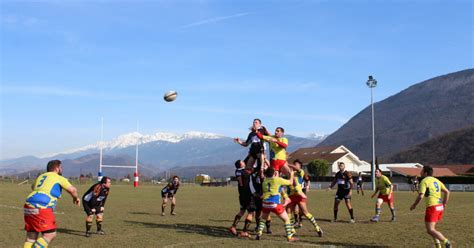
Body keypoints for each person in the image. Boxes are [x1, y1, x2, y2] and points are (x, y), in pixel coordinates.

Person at [23, 160, 80, 248]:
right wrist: (75, 198)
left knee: (31, 237)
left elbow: (33, 187)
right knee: (50, 235)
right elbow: (73, 190)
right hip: (42, 206)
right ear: (57, 168)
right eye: (61, 167)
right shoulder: (58, 177)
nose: (61, 169)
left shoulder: (41, 176)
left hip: (28, 204)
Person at [410, 166, 451, 248]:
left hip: (432, 207)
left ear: (425, 173)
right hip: (439, 207)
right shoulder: (436, 180)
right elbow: (447, 192)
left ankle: (446, 242)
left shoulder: (424, 181)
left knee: (430, 230)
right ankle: (438, 245)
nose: (420, 173)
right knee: (432, 229)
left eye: (421, 171)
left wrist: (414, 205)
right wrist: (444, 204)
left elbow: (421, 196)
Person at [256, 168, 297, 242]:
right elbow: (290, 182)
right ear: (274, 173)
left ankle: (259, 233)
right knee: (287, 219)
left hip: (265, 203)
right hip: (274, 203)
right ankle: (289, 237)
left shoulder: (264, 182)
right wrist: (292, 174)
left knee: (263, 219)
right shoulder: (277, 179)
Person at [286, 160, 323, 237]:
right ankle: (291, 230)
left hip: (299, 195)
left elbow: (295, 168)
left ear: (300, 166)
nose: (294, 165)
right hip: (292, 196)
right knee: (288, 213)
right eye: (294, 164)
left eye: (296, 164)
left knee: (305, 213)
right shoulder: (291, 173)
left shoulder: (301, 172)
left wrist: (287, 164)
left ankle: (317, 227)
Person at [229, 160, 256, 237]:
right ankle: (244, 231)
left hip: (242, 195)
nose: (244, 162)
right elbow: (244, 179)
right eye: (242, 161)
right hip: (248, 195)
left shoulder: (238, 171)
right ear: (241, 164)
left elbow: (240, 182)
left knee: (242, 211)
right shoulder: (244, 172)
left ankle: (233, 226)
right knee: (251, 212)